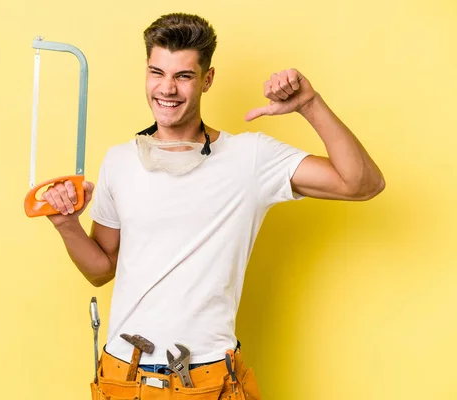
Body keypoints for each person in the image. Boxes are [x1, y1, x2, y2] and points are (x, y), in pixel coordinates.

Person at [41, 12, 385, 400]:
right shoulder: (119, 160)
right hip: (123, 377)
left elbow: (362, 183)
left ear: (207, 79)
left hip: (207, 382)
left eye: (183, 76)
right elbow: (101, 270)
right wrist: (65, 224)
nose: (167, 89)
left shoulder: (249, 158)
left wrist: (310, 105)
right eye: (157, 72)